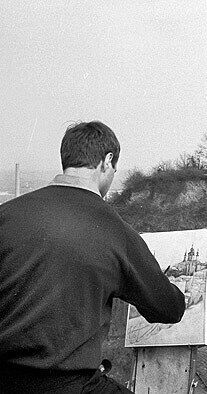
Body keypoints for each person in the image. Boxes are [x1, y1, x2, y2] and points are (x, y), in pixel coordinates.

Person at [0, 121, 186, 393]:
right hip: (69, 385)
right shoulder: (114, 228)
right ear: (107, 162)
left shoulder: (6, 215)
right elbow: (169, 308)